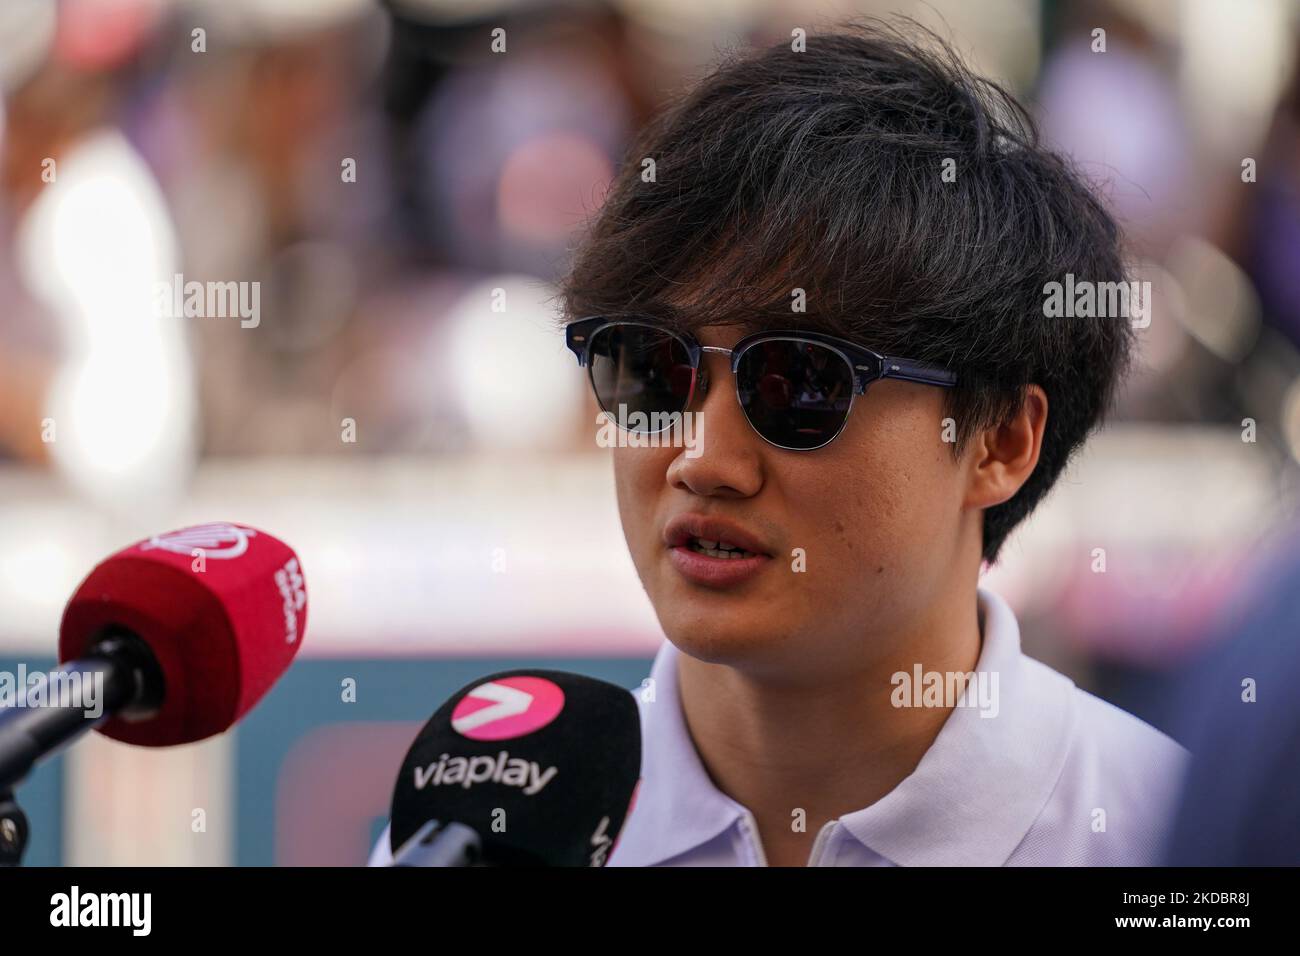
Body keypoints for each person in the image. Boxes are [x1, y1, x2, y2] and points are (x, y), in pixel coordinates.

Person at [368, 20, 1188, 867]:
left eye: (800, 383)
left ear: (1001, 441)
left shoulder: (1174, 839)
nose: (702, 460)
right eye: (649, 368)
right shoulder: (492, 836)